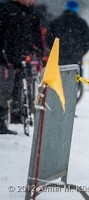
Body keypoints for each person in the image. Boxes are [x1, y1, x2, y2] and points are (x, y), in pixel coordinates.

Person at [1, 0, 42, 134]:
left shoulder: (26, 12)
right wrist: (8, 56)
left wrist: (31, 48)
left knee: (10, 89)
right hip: (7, 59)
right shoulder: (10, 11)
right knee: (4, 90)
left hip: (15, 58)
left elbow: (24, 37)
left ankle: (12, 116)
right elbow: (10, 37)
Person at [46, 0, 89, 77]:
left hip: (59, 57)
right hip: (75, 59)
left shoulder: (56, 22)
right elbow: (88, 40)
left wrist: (55, 50)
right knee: (74, 82)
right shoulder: (81, 23)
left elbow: (48, 38)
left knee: (58, 81)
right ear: (77, 9)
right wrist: (80, 52)